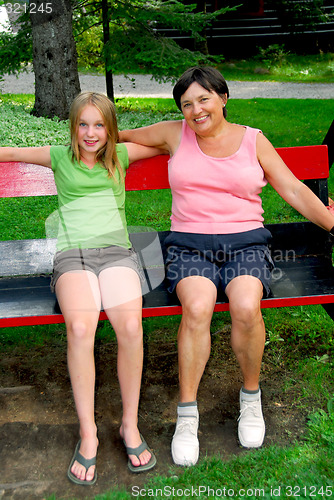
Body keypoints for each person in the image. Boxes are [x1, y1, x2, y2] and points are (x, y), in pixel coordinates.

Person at [119, 66, 334, 466]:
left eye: (203, 99)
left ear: (223, 97)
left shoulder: (253, 140)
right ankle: (187, 415)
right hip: (188, 245)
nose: (196, 110)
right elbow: (120, 136)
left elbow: (290, 187)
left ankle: (250, 398)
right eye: (186, 104)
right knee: (197, 308)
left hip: (246, 243)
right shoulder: (172, 134)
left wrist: (331, 221)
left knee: (246, 306)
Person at [0, 91, 164, 484]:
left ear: (111, 129)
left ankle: (129, 425)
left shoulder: (121, 157)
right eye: (83, 124)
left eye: (100, 125)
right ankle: (87, 433)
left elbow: (168, 137)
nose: (91, 133)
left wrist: (135, 133)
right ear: (72, 126)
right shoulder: (58, 157)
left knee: (129, 327)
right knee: (80, 327)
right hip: (72, 258)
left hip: (118, 255)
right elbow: (8, 153)